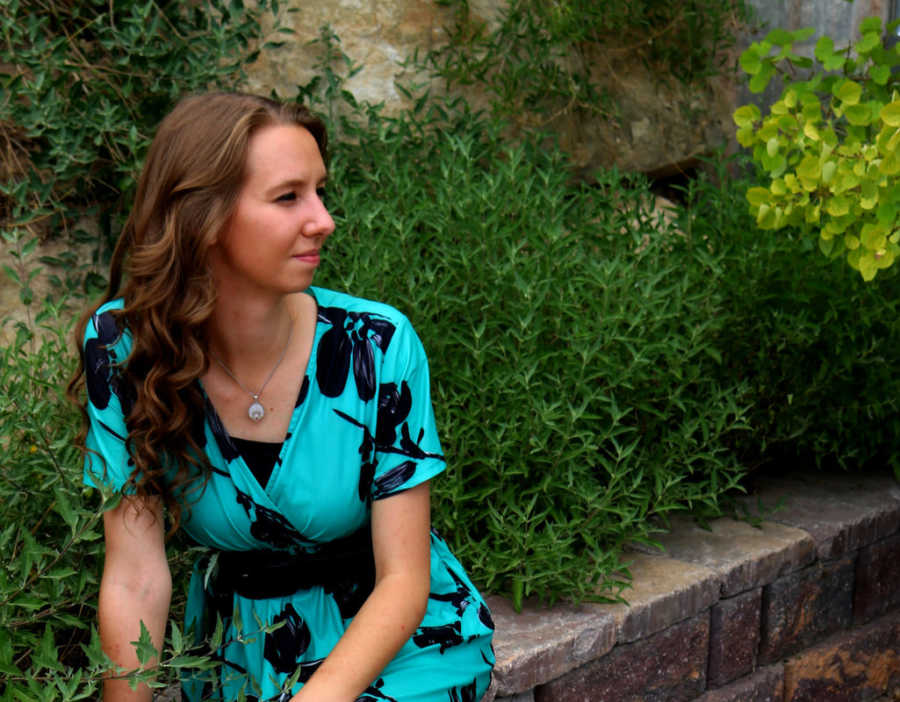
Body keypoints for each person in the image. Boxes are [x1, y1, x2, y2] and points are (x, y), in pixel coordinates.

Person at [73, 92, 495, 702]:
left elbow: (404, 579)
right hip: (240, 649)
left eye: (321, 191)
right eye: (289, 196)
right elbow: (135, 577)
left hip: (395, 645)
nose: (323, 219)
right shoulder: (124, 350)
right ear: (204, 218)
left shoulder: (375, 346)